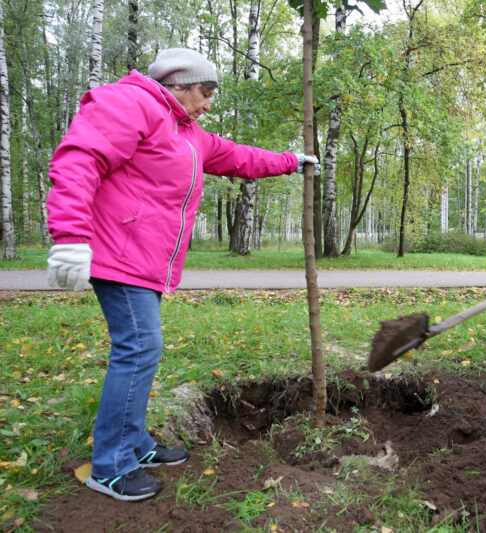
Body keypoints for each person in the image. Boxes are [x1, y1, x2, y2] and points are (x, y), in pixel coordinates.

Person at [45, 48, 320, 502]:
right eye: (206, 92)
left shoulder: (187, 132)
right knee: (139, 349)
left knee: (142, 349)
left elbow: (238, 157)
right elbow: (78, 159)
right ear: (180, 84)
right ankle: (110, 466)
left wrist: (293, 160)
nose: (209, 103)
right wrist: (70, 236)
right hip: (118, 253)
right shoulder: (130, 104)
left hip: (144, 259)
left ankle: (134, 444)